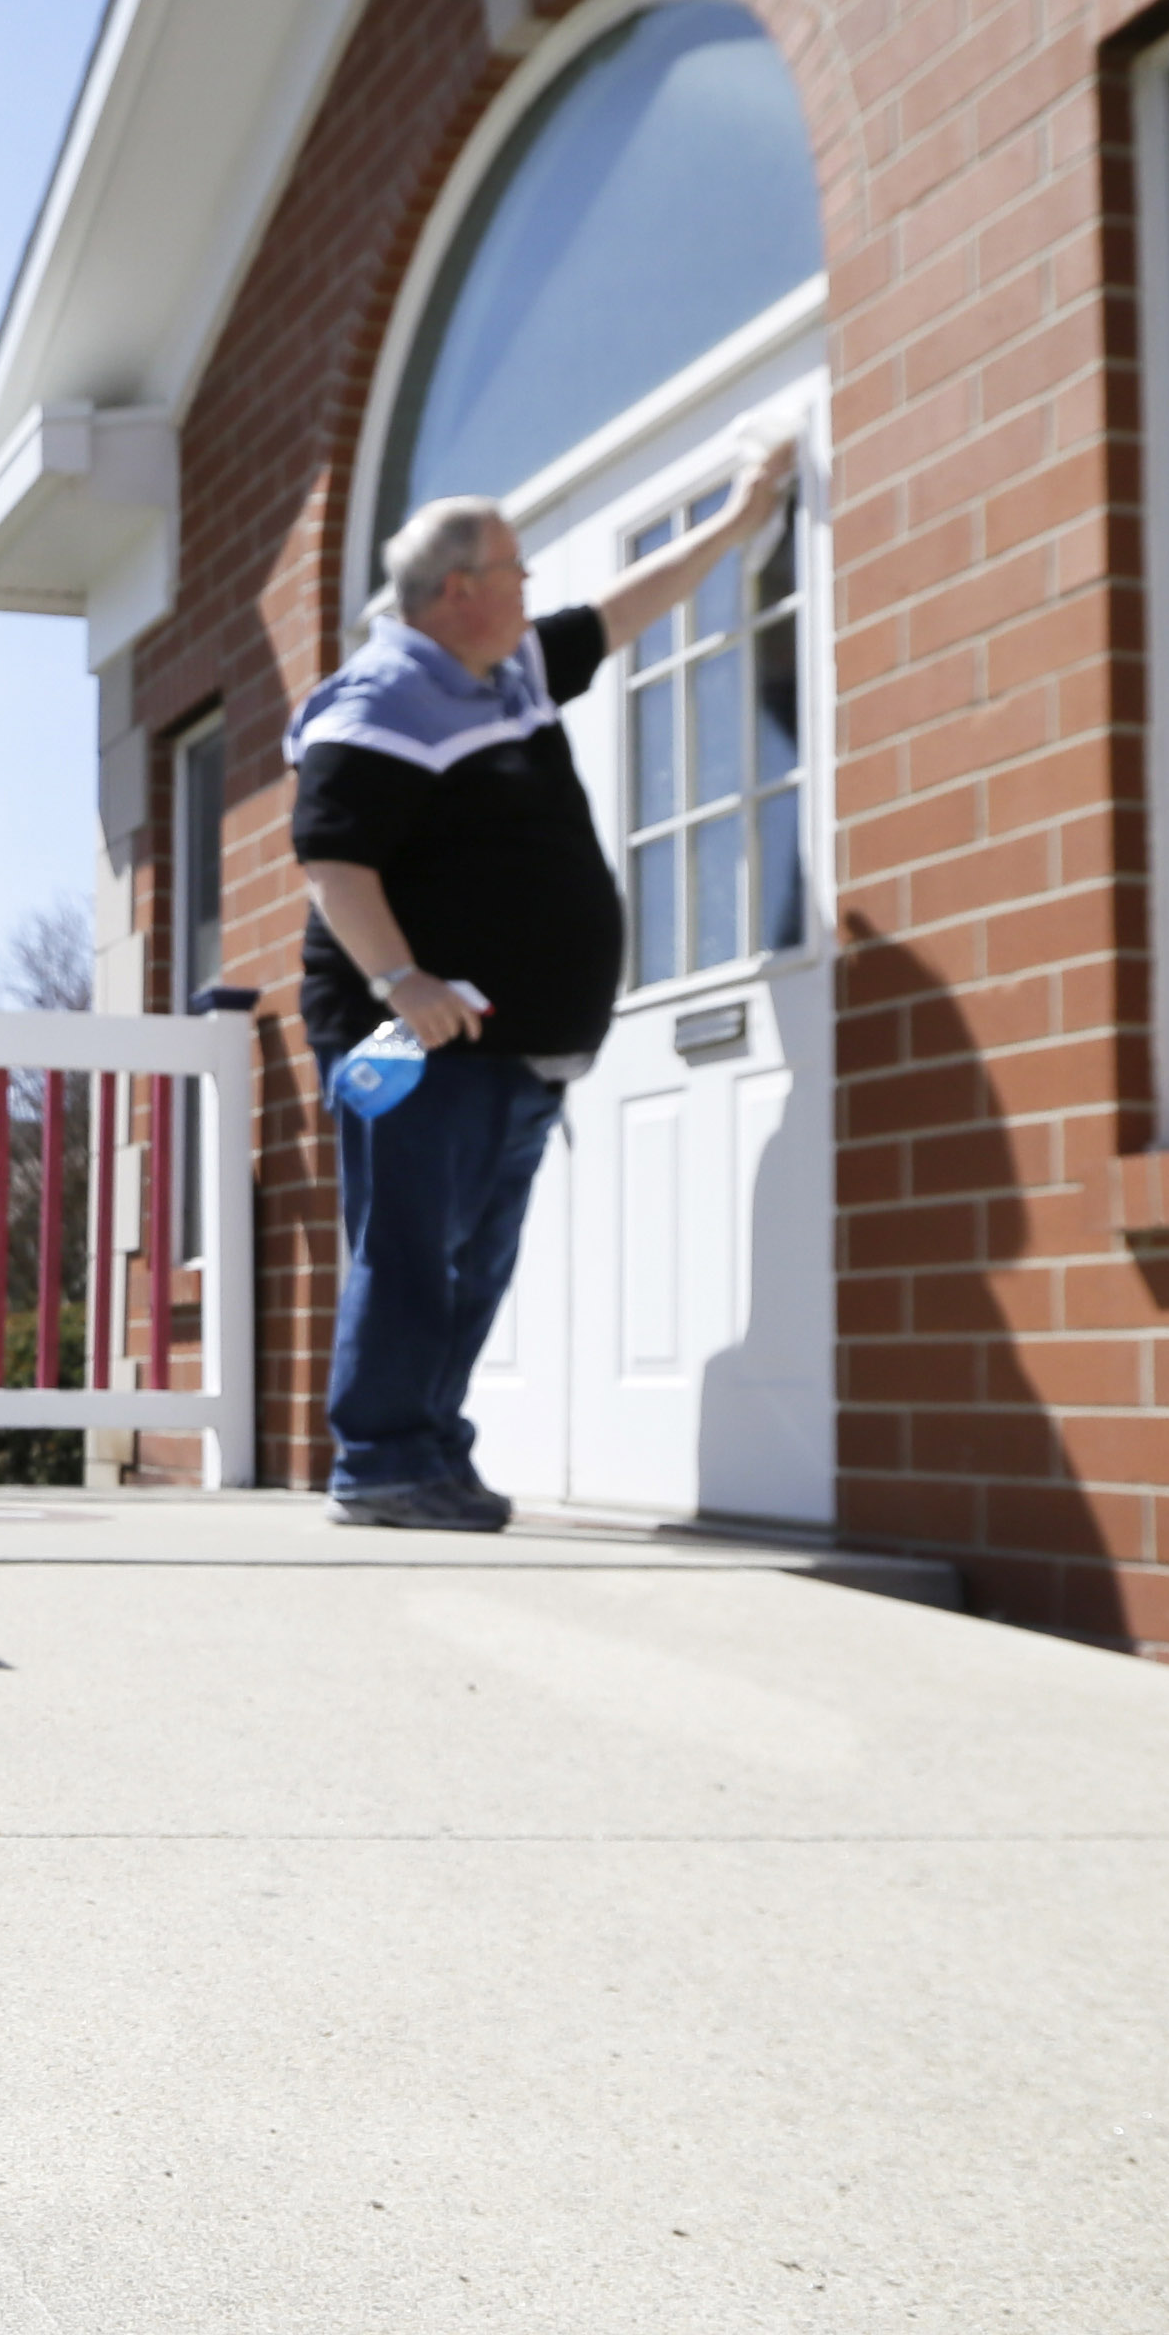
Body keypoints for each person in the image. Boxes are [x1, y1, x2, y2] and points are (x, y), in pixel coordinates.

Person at [290, 441, 792, 1530]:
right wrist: (400, 979)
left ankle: (427, 1449)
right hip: (415, 1039)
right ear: (460, 589)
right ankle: (380, 1462)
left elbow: (620, 611)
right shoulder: (380, 702)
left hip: (513, 1046)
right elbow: (333, 862)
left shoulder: (501, 669)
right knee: (415, 1248)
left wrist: (739, 521)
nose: (532, 592)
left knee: (470, 1261)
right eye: (516, 572)